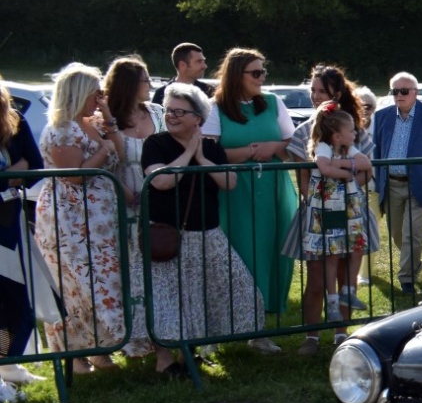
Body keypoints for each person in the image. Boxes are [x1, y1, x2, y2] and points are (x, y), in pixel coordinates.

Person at [34, 64, 154, 371]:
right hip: (71, 220)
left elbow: (120, 156)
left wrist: (108, 119)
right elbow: (74, 176)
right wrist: (102, 151)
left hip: (100, 219)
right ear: (78, 94)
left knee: (104, 282)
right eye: (95, 93)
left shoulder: (95, 124)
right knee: (77, 285)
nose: (99, 97)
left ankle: (103, 347)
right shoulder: (61, 129)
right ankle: (77, 354)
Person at [140, 83, 262, 377]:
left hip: (207, 233)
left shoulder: (211, 147)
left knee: (226, 290)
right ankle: (164, 360)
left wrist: (203, 159)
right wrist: (188, 154)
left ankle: (193, 351)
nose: (171, 116)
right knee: (168, 299)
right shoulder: (155, 143)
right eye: (169, 110)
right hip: (166, 236)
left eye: (179, 112)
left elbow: (230, 183)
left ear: (198, 117)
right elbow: (161, 181)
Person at [202, 48, 295, 350]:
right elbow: (208, 153)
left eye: (263, 71)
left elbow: (291, 142)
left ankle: (259, 329)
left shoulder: (273, 102)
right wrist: (250, 151)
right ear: (236, 74)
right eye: (255, 72)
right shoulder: (215, 108)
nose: (262, 77)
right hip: (233, 192)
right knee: (237, 253)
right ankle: (220, 329)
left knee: (268, 251)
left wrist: (273, 147)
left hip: (272, 190)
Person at [284, 64, 374, 354]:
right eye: (312, 90)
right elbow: (304, 178)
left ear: (336, 93)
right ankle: (311, 336)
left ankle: (341, 334)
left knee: (346, 274)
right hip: (319, 212)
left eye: (321, 90)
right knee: (317, 277)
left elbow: (367, 172)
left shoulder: (353, 131)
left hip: (350, 211)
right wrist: (324, 195)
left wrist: (343, 174)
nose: (315, 96)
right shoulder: (305, 133)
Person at [371, 71, 422, 296]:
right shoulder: (381, 116)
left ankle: (406, 278)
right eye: (394, 91)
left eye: (404, 91)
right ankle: (414, 264)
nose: (399, 95)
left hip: (420, 184)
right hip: (391, 184)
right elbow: (377, 149)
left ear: (415, 92)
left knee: (413, 234)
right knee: (397, 235)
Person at [304, 106, 369, 345]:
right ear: (337, 136)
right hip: (328, 208)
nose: (355, 134)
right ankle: (332, 302)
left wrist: (342, 164)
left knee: (356, 248)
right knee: (331, 255)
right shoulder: (322, 146)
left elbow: (365, 164)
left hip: (349, 208)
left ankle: (348, 293)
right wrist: (346, 172)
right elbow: (323, 167)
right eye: (351, 131)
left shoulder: (347, 148)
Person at [0, 82, 47, 387]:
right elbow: (21, 167)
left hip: (8, 221)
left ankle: (7, 363)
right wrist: (12, 173)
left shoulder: (14, 119)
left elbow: (34, 163)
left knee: (16, 300)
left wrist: (6, 178)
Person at [104, 56, 165, 204]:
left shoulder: (158, 112)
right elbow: (105, 166)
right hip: (118, 202)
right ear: (129, 84)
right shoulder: (105, 118)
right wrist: (127, 196)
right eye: (146, 80)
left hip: (157, 200)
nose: (150, 85)